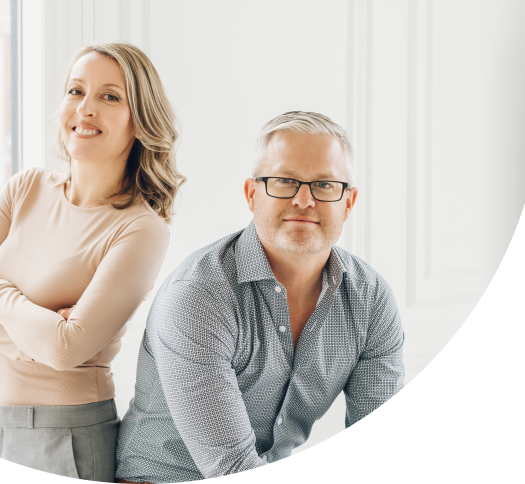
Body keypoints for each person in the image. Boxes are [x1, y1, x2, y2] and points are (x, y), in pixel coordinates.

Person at [116, 111, 430, 484]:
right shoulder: (198, 295)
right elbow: (232, 470)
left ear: (349, 201)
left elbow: (387, 445)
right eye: (284, 181)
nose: (304, 200)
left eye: (324, 184)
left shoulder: (369, 299)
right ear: (252, 194)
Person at [0, 42, 184, 484]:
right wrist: (40, 338)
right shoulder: (25, 188)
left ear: (140, 122)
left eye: (110, 96)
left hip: (63, 442)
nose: (86, 107)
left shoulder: (141, 229)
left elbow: (66, 349)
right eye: (76, 90)